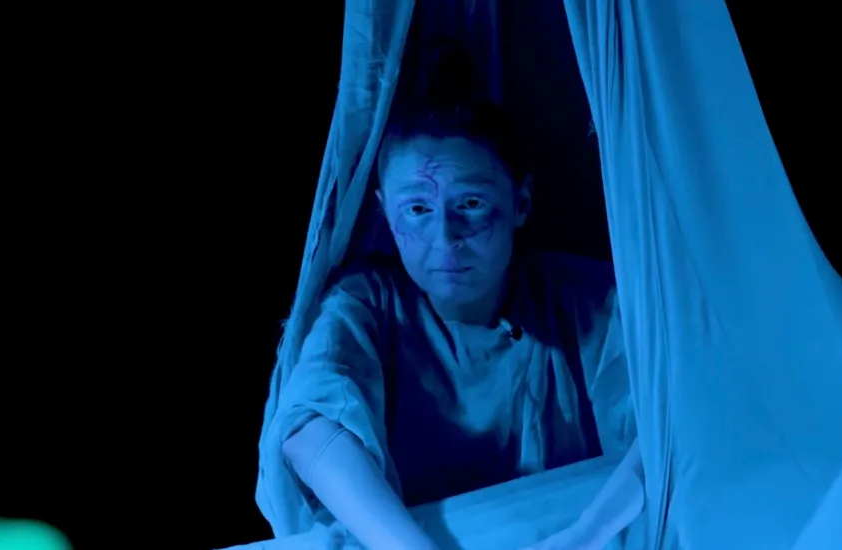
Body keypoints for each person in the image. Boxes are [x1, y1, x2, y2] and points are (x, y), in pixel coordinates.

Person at [268, 46, 643, 550]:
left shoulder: (590, 301)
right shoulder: (368, 304)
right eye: (418, 209)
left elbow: (676, 419)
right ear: (384, 213)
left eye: (470, 203)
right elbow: (309, 430)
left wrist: (587, 533)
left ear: (520, 202)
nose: (446, 238)